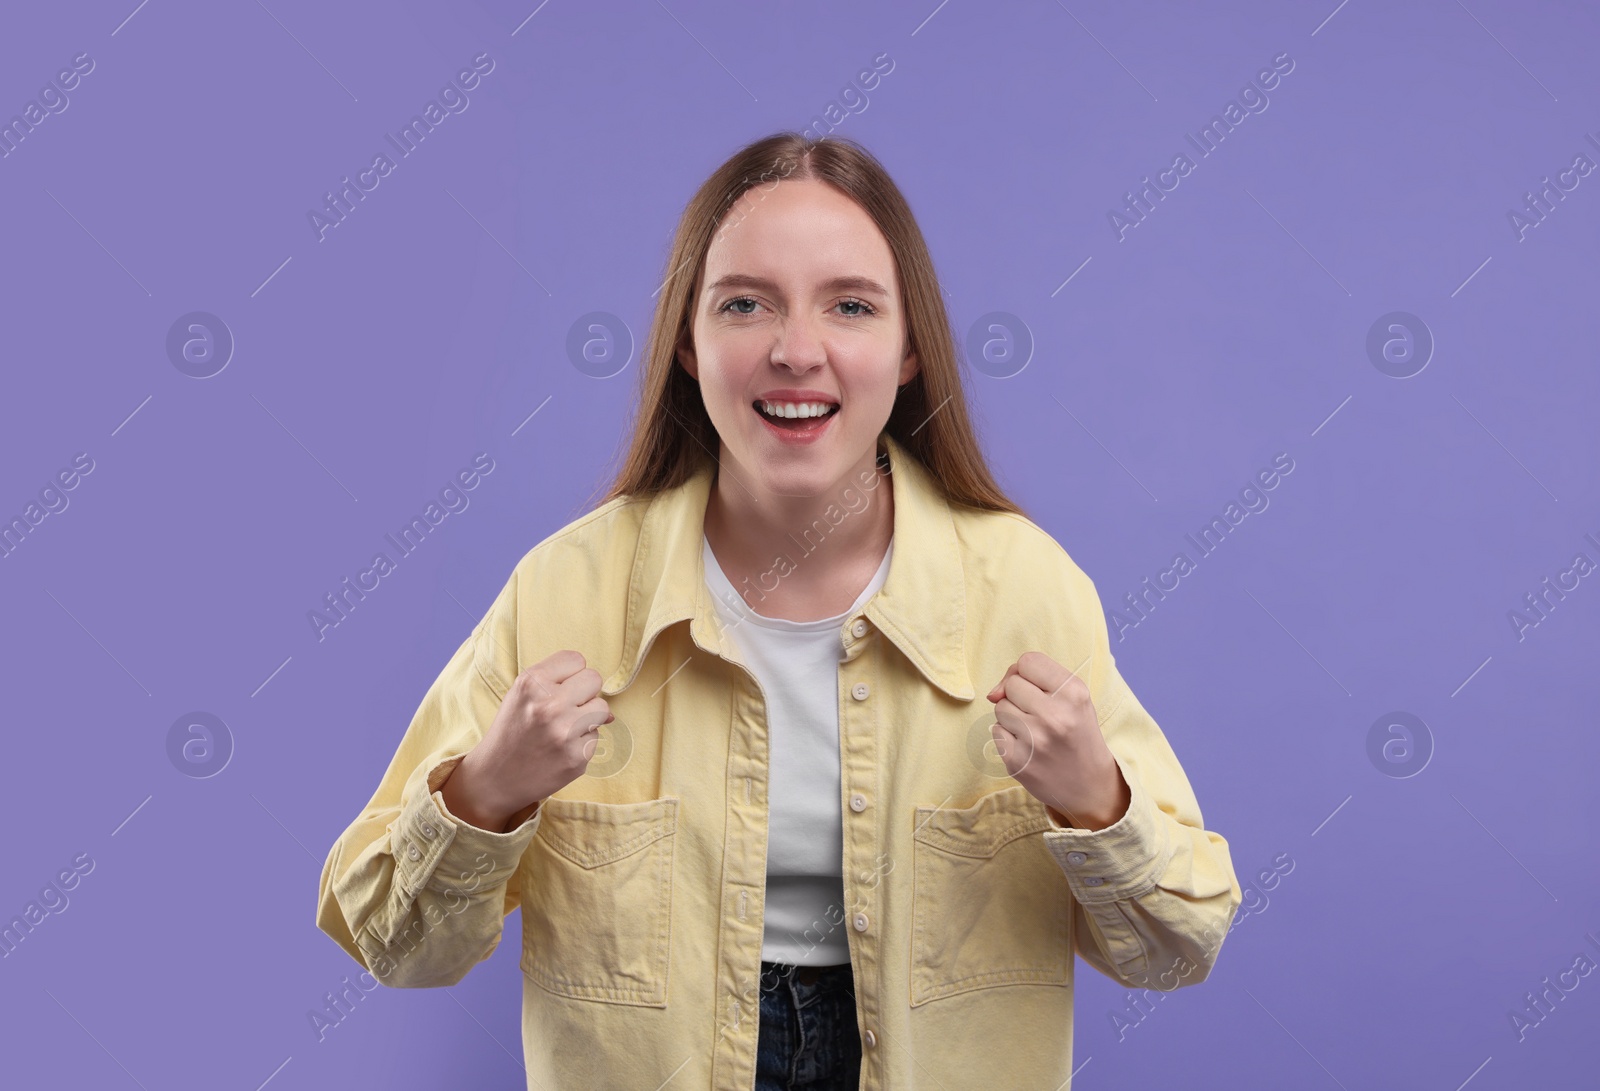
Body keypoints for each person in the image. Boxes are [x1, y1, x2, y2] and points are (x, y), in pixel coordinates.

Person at [315, 131, 1242, 1091]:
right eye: (745, 304)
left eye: (850, 305)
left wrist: (1099, 802)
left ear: (911, 347)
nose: (797, 351)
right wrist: (485, 790)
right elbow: (392, 948)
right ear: (687, 341)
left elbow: (1178, 949)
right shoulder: (564, 591)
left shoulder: (1026, 586)